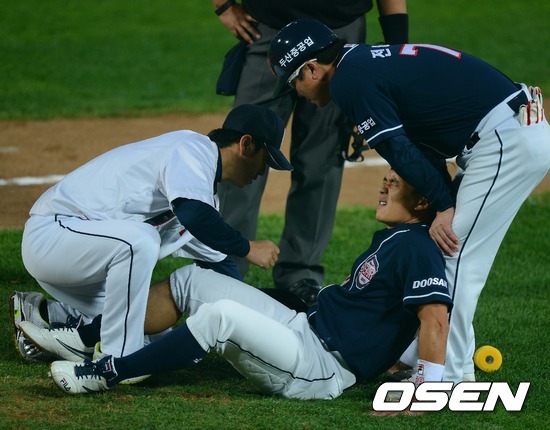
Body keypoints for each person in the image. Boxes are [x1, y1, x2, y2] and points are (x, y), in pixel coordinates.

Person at [266, 19, 550, 383]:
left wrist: (443, 205)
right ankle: (432, 359)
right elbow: (420, 148)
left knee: (452, 251)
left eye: (294, 82)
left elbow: (399, 149)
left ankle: (448, 377)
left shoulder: (349, 80)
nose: (298, 92)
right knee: (448, 246)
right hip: (506, 132)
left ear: (311, 69)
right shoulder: (359, 63)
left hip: (505, 141)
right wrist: (441, 201)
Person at [30, 170, 452, 400]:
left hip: (320, 368)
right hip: (303, 328)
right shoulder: (399, 239)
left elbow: (435, 318)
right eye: (386, 178)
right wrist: (397, 359)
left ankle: (106, 373)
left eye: (395, 182)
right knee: (193, 279)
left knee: (219, 318)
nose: (383, 185)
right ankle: (85, 338)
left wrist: (425, 390)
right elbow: (390, 316)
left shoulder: (417, 246)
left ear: (421, 202)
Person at [12, 104, 292, 363]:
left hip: (82, 257)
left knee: (155, 329)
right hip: (53, 236)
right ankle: (117, 355)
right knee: (139, 242)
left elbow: (221, 267)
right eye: (265, 160)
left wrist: (262, 315)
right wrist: (248, 248)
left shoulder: (201, 194)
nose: (262, 172)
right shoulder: (192, 150)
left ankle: (43, 313)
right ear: (246, 144)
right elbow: (194, 215)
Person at [212, 0, 409, 305]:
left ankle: (300, 273)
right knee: (242, 151)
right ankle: (225, 269)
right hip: (269, 28)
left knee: (322, 159)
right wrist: (224, 5)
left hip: (340, 34)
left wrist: (397, 46)